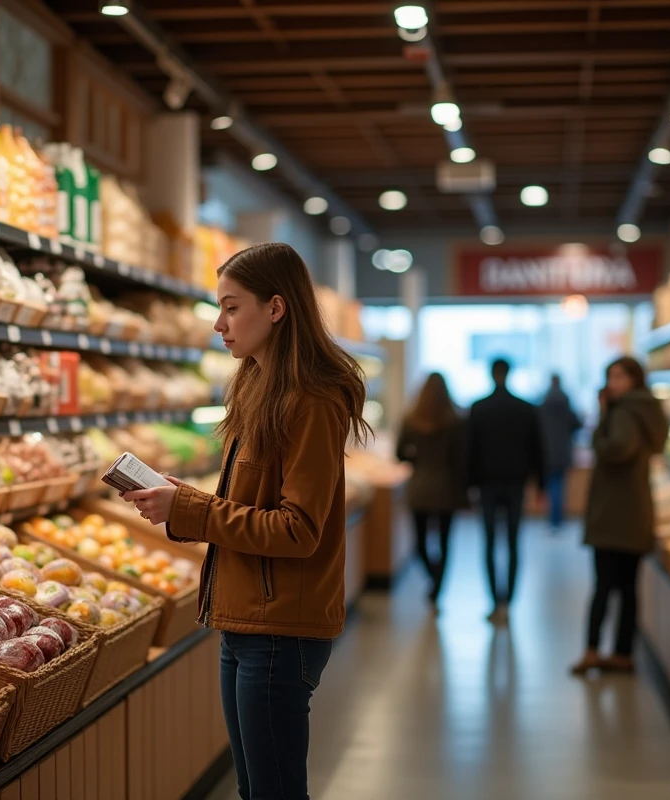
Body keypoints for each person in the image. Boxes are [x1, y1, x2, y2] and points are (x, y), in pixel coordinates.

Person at [121, 242, 370, 800]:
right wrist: (176, 497)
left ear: (276, 308)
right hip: (245, 620)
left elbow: (297, 529)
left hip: (280, 630)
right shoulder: (259, 387)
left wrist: (188, 509)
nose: (218, 324)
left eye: (232, 308)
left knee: (274, 792)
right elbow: (251, 504)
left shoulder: (312, 400)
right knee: (257, 789)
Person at [572, 356, 668, 675]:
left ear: (634, 380)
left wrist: (601, 419)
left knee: (603, 586)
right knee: (628, 589)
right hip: (636, 509)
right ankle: (623, 653)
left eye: (619, 376)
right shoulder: (647, 409)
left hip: (613, 512)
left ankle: (591, 650)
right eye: (609, 375)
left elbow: (615, 449)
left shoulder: (623, 411)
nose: (612, 382)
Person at [467, 358, 542, 623]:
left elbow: (469, 451)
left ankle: (494, 601)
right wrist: (540, 484)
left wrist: (468, 485)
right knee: (512, 542)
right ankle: (508, 603)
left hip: (486, 484)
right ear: (509, 373)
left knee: (488, 542)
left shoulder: (478, 408)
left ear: (491, 373)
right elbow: (537, 449)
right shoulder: (525, 408)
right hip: (515, 483)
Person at [396, 372, 467, 608]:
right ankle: (438, 586)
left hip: (420, 488)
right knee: (445, 541)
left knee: (419, 544)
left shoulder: (411, 420)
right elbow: (461, 459)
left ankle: (433, 579)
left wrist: (417, 458)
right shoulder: (456, 422)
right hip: (448, 487)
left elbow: (400, 454)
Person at [539, 374, 583, 531]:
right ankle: (558, 519)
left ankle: (552, 519)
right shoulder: (567, 404)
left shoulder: (543, 404)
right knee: (560, 486)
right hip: (563, 452)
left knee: (551, 486)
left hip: (547, 452)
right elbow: (577, 424)